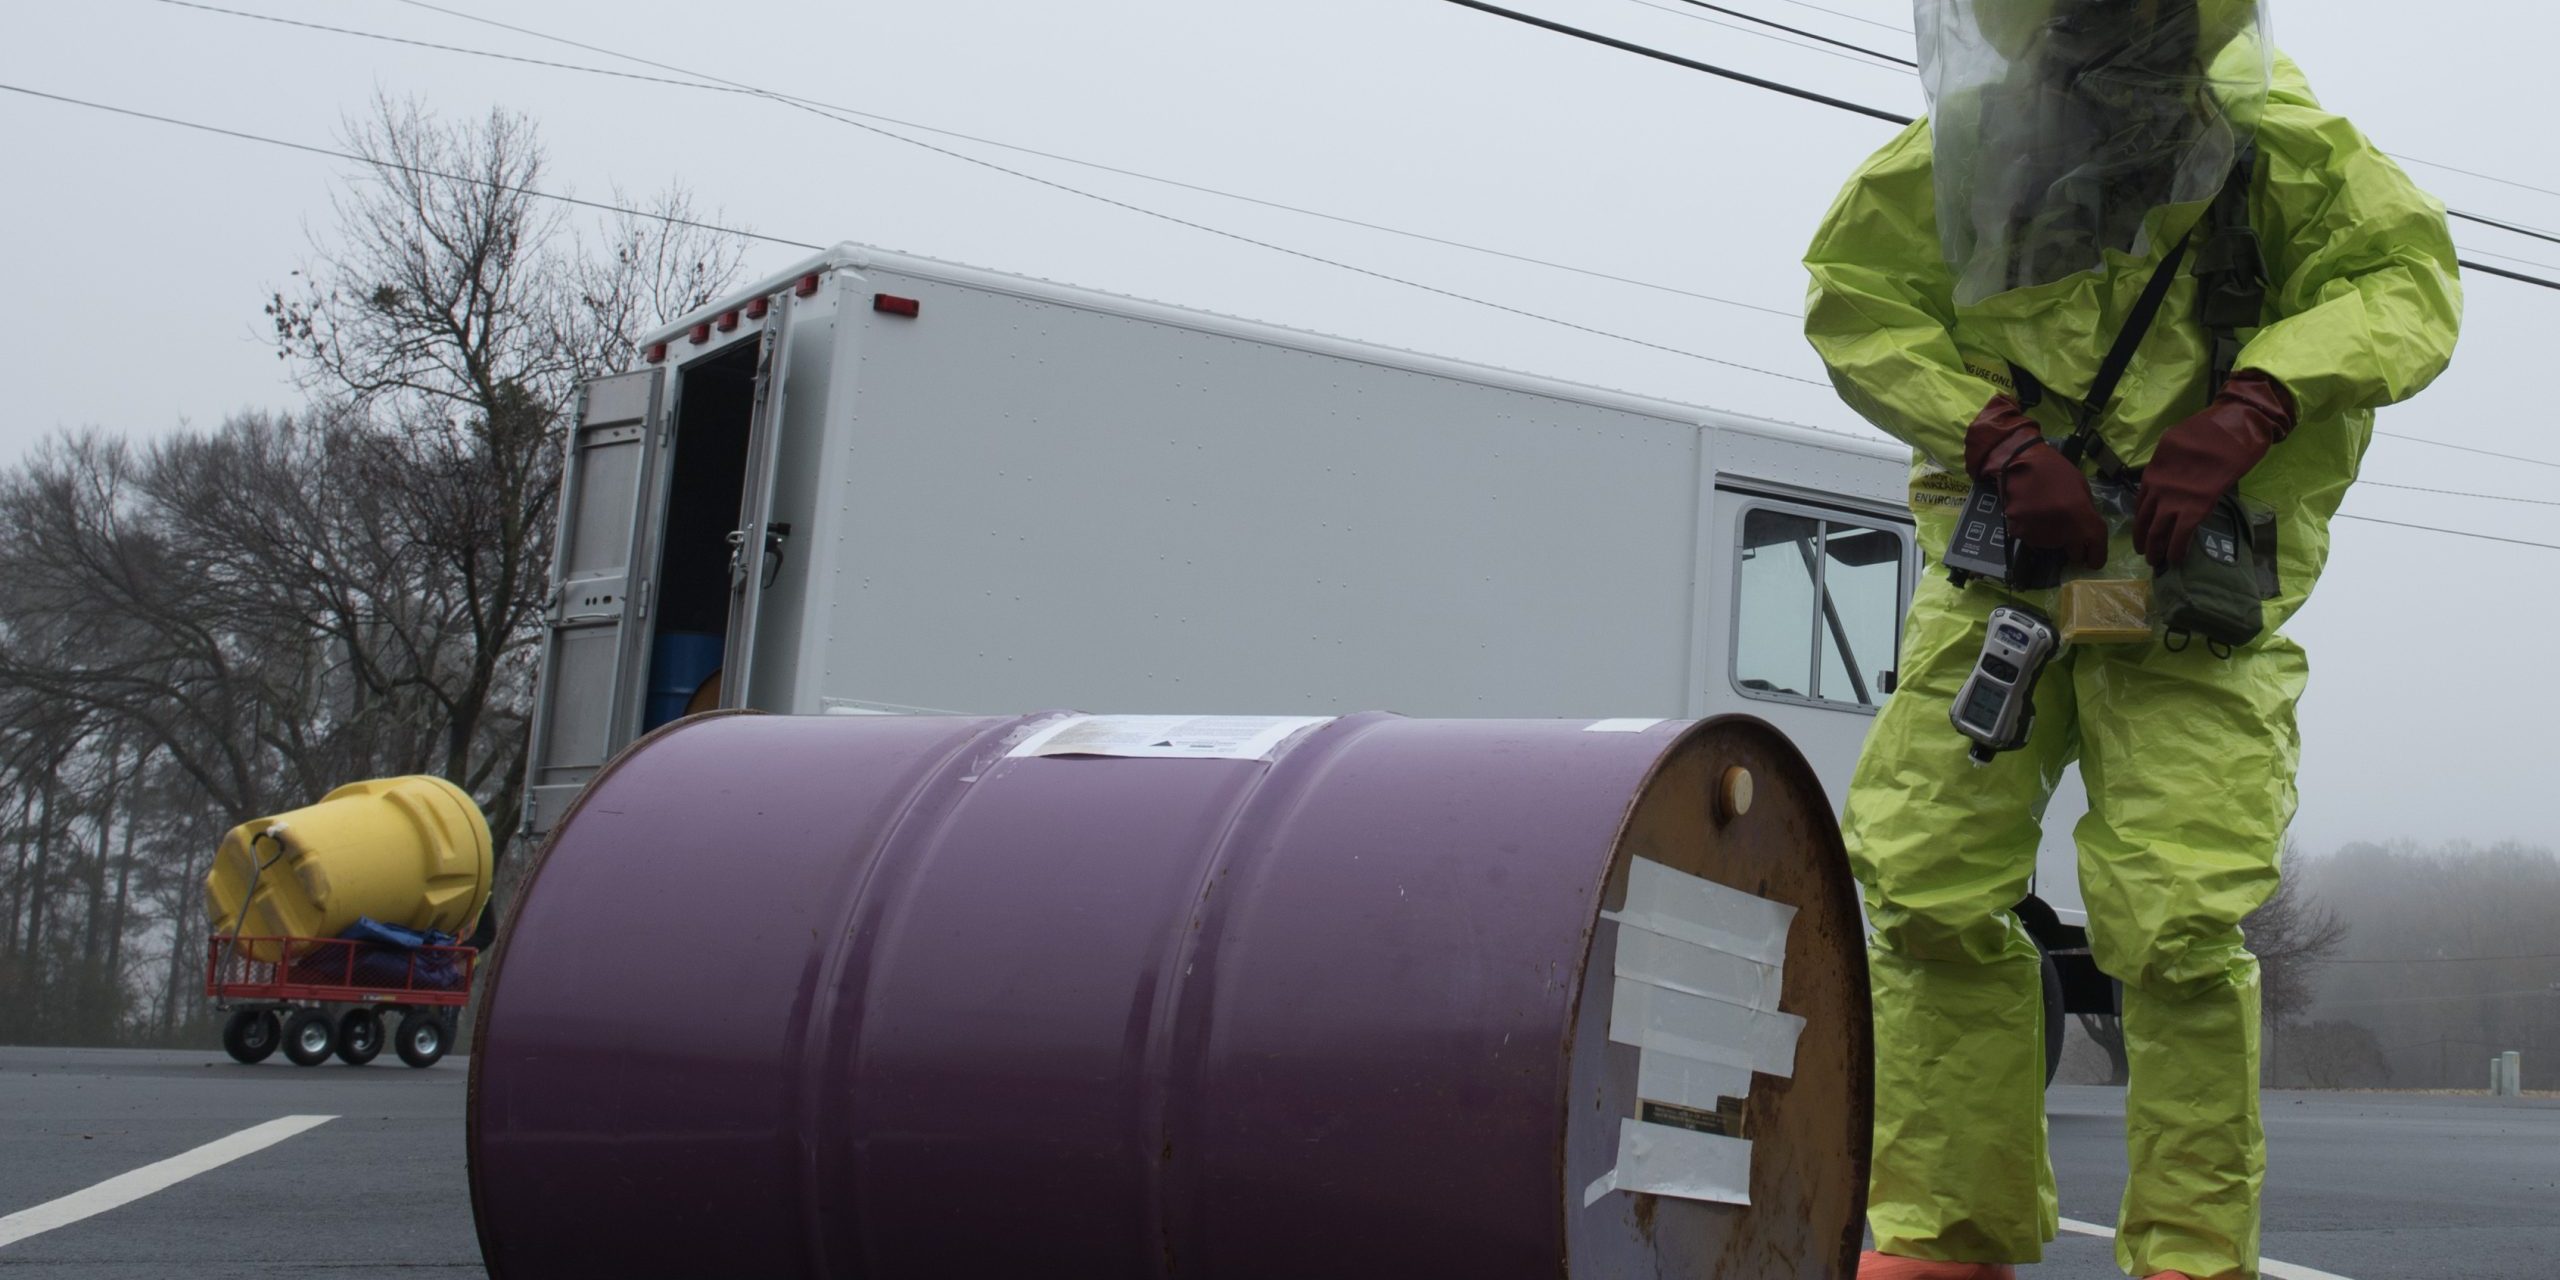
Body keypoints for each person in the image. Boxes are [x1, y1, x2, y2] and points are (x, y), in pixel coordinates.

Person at [1800, 2, 2461, 1277]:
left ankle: (2188, 1257)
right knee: (1926, 887)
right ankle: (1946, 1234)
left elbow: (2403, 283)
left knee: (2176, 929)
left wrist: (2257, 402)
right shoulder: (1967, 148)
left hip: (2187, 609)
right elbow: (1857, 300)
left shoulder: (2284, 153)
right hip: (2010, 586)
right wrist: (1993, 438)